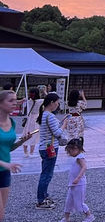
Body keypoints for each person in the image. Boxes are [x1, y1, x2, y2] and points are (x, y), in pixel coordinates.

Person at [1, 90, 32, 221]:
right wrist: (5, 163)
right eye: (11, 101)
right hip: (5, 166)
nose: (15, 103)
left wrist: (22, 141)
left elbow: (8, 148)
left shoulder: (12, 123)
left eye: (15, 100)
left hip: (4, 172)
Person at [37, 92, 65, 209]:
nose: (58, 105)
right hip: (50, 148)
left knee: (46, 173)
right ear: (52, 103)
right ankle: (41, 200)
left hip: (45, 147)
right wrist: (64, 125)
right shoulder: (50, 116)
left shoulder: (44, 114)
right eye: (57, 102)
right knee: (47, 175)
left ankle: (44, 195)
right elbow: (58, 132)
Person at [60, 138, 95, 222]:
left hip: (79, 184)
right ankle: (67, 217)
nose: (69, 153)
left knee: (79, 202)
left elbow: (84, 167)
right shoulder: (76, 157)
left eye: (70, 151)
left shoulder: (80, 157)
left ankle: (89, 216)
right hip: (73, 184)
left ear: (77, 149)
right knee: (68, 202)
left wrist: (78, 178)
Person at [23, 88, 43, 157]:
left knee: (26, 134)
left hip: (29, 119)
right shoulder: (41, 101)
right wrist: (45, 92)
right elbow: (48, 98)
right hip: (36, 119)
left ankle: (25, 152)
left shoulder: (28, 101)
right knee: (33, 136)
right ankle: (31, 152)